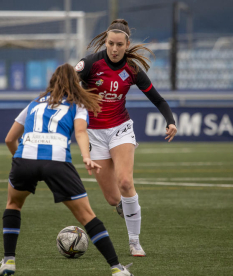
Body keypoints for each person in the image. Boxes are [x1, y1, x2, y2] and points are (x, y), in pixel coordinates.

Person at [0, 64, 134, 276]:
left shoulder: (34, 103)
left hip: (25, 157)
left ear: (52, 81)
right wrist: (86, 156)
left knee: (13, 204)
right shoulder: (77, 104)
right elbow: (80, 132)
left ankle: (9, 261)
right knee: (87, 216)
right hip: (56, 162)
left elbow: (9, 139)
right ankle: (117, 269)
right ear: (76, 83)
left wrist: (21, 159)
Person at [75, 19, 177, 257]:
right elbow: (68, 82)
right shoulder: (90, 63)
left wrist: (170, 120)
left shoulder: (132, 69)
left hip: (120, 128)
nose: (114, 48)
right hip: (94, 134)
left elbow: (158, 99)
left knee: (125, 183)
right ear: (106, 41)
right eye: (110, 43)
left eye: (119, 44)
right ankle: (127, 207)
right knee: (112, 198)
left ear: (127, 44)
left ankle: (134, 241)